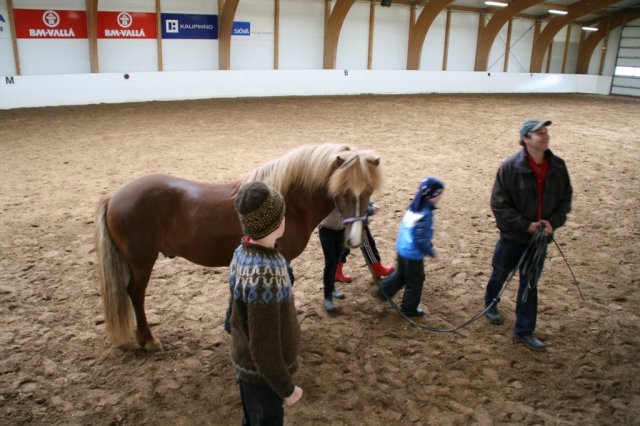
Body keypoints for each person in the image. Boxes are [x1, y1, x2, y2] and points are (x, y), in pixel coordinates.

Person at [483, 119, 572, 352]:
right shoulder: (510, 167)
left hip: (539, 240)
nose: (545, 135)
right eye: (538, 133)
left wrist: (552, 222)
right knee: (500, 273)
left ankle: (524, 330)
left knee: (530, 284)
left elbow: (565, 201)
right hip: (513, 237)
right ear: (525, 138)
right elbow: (499, 205)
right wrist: (526, 225)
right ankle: (490, 304)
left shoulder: (558, 167)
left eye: (546, 132)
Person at [228, 181, 303, 425]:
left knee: (252, 418)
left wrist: (233, 328)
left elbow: (234, 304)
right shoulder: (265, 274)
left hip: (247, 366)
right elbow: (263, 345)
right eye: (282, 213)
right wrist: (286, 389)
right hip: (263, 376)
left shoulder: (243, 252)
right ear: (277, 223)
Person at [374, 177, 444, 317]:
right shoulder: (426, 213)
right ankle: (409, 309)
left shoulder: (414, 207)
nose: (441, 197)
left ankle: (383, 292)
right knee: (416, 281)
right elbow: (420, 238)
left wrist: (427, 242)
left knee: (401, 275)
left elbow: (415, 231)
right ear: (432, 196)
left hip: (403, 248)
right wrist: (430, 252)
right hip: (413, 254)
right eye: (439, 194)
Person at [335, 202, 395, 283]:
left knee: (344, 246)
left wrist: (370, 203)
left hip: (347, 219)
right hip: (353, 220)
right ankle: (377, 268)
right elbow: (356, 203)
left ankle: (336, 271)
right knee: (367, 244)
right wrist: (371, 209)